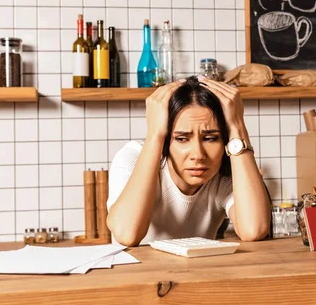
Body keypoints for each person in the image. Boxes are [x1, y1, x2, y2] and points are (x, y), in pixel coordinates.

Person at [106, 75, 271, 246]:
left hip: (198, 272)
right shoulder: (131, 157)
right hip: (135, 272)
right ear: (166, 138)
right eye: (182, 139)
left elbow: (255, 229)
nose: (198, 155)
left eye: (210, 138)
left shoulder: (224, 176)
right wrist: (155, 135)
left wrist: (236, 125)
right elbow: (126, 234)